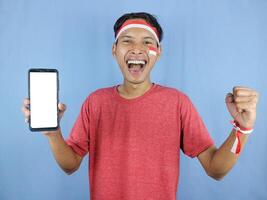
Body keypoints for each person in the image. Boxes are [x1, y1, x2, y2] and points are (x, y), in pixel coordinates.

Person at [21, 12, 259, 200]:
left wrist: (243, 129)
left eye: (147, 42)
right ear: (115, 51)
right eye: (127, 41)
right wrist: (53, 133)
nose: (137, 48)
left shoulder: (177, 103)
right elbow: (70, 165)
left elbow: (216, 169)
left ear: (158, 53)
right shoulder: (96, 102)